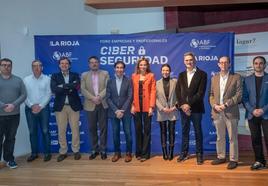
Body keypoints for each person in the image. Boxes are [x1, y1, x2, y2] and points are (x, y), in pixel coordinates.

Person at [209, 56, 242, 169]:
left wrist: (226, 104)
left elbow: (238, 95)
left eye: (225, 62)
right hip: (217, 112)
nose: (223, 64)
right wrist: (214, 105)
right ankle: (221, 156)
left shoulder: (236, 77)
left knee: (232, 137)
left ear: (229, 64)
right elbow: (211, 95)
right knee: (220, 137)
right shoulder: (214, 78)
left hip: (231, 111)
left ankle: (233, 159)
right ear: (218, 64)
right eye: (221, 62)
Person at [175, 52, 207, 165]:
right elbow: (178, 92)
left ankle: (199, 154)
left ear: (195, 60)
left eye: (191, 60)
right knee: (185, 131)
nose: (189, 62)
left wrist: (188, 105)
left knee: (198, 131)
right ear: (184, 62)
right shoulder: (181, 75)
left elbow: (200, 93)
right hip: (183, 109)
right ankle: (184, 152)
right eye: (187, 60)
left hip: (196, 108)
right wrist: (183, 105)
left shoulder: (202, 74)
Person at [50, 57, 83, 162]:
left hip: (74, 106)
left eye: (66, 63)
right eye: (62, 63)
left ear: (69, 65)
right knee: (61, 130)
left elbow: (76, 86)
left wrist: (63, 86)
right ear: (59, 65)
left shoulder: (75, 75)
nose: (64, 65)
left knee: (75, 130)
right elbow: (54, 89)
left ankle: (76, 150)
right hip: (61, 107)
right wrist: (69, 87)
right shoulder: (55, 76)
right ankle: (63, 151)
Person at [81, 56, 109, 160]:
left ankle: (103, 150)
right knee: (92, 129)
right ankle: (94, 150)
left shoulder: (105, 73)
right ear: (89, 64)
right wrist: (93, 98)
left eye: (96, 62)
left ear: (99, 63)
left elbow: (107, 87)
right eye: (92, 62)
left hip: (102, 104)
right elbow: (83, 90)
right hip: (90, 105)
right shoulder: (84, 75)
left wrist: (99, 97)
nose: (94, 64)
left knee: (103, 129)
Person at [0, 58, 26, 169]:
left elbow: (23, 95)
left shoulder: (18, 80)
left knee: (11, 138)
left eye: (9, 65)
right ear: (0, 67)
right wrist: (3, 106)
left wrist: (13, 105)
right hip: (0, 114)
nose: (6, 67)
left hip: (14, 114)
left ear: (11, 66)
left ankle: (9, 159)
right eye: (4, 65)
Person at [243, 56, 268, 170]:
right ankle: (259, 161)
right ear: (253, 65)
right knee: (256, 139)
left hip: (266, 114)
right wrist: (252, 110)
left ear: (265, 65)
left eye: (261, 63)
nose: (258, 65)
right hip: (252, 114)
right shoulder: (247, 80)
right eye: (256, 63)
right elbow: (244, 98)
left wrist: (263, 110)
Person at [24, 60, 52, 162]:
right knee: (32, 132)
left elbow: (49, 94)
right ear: (32, 67)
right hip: (29, 109)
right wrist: (32, 105)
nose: (37, 68)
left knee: (45, 131)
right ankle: (34, 153)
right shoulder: (26, 80)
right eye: (35, 66)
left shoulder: (47, 79)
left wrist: (40, 106)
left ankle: (47, 153)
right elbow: (24, 95)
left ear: (42, 68)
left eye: (39, 66)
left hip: (43, 109)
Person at [106, 61, 133, 162]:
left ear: (124, 69)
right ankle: (117, 153)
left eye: (121, 68)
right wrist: (116, 110)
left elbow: (130, 97)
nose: (119, 69)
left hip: (125, 112)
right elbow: (108, 98)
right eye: (117, 67)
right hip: (114, 113)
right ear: (114, 69)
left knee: (128, 133)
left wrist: (122, 110)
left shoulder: (129, 81)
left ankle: (128, 153)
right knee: (115, 133)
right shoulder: (110, 81)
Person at [131, 57, 156, 162]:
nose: (143, 66)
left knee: (147, 131)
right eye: (141, 64)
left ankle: (145, 154)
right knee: (137, 130)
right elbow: (131, 92)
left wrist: (151, 107)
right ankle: (138, 153)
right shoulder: (133, 76)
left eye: (144, 64)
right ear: (138, 66)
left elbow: (153, 92)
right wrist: (132, 105)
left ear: (147, 66)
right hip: (136, 107)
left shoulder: (151, 76)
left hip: (147, 107)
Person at [156, 64, 178, 161]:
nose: (165, 72)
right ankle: (164, 152)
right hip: (162, 112)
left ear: (170, 71)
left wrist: (175, 107)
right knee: (163, 132)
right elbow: (155, 98)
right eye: (163, 70)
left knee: (172, 132)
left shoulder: (175, 82)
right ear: (161, 71)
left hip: (173, 111)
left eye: (167, 70)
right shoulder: (157, 83)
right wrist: (162, 108)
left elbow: (180, 96)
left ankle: (171, 152)